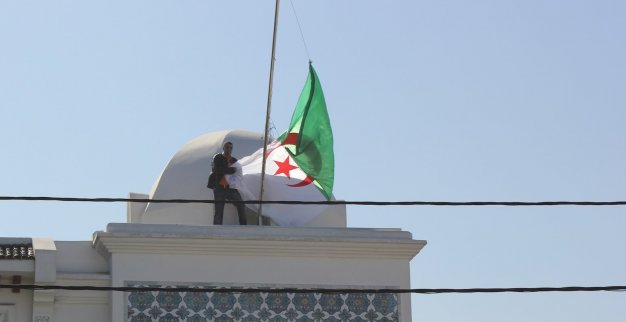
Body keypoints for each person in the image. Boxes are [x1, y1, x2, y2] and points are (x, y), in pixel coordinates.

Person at [209, 141, 247, 225]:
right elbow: (216, 170)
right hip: (220, 188)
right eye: (227, 147)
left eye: (230, 148)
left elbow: (238, 172)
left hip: (231, 188)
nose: (229, 149)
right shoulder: (218, 157)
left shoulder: (234, 160)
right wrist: (231, 170)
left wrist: (230, 171)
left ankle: (244, 227)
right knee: (219, 210)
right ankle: (217, 230)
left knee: (241, 205)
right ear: (223, 148)